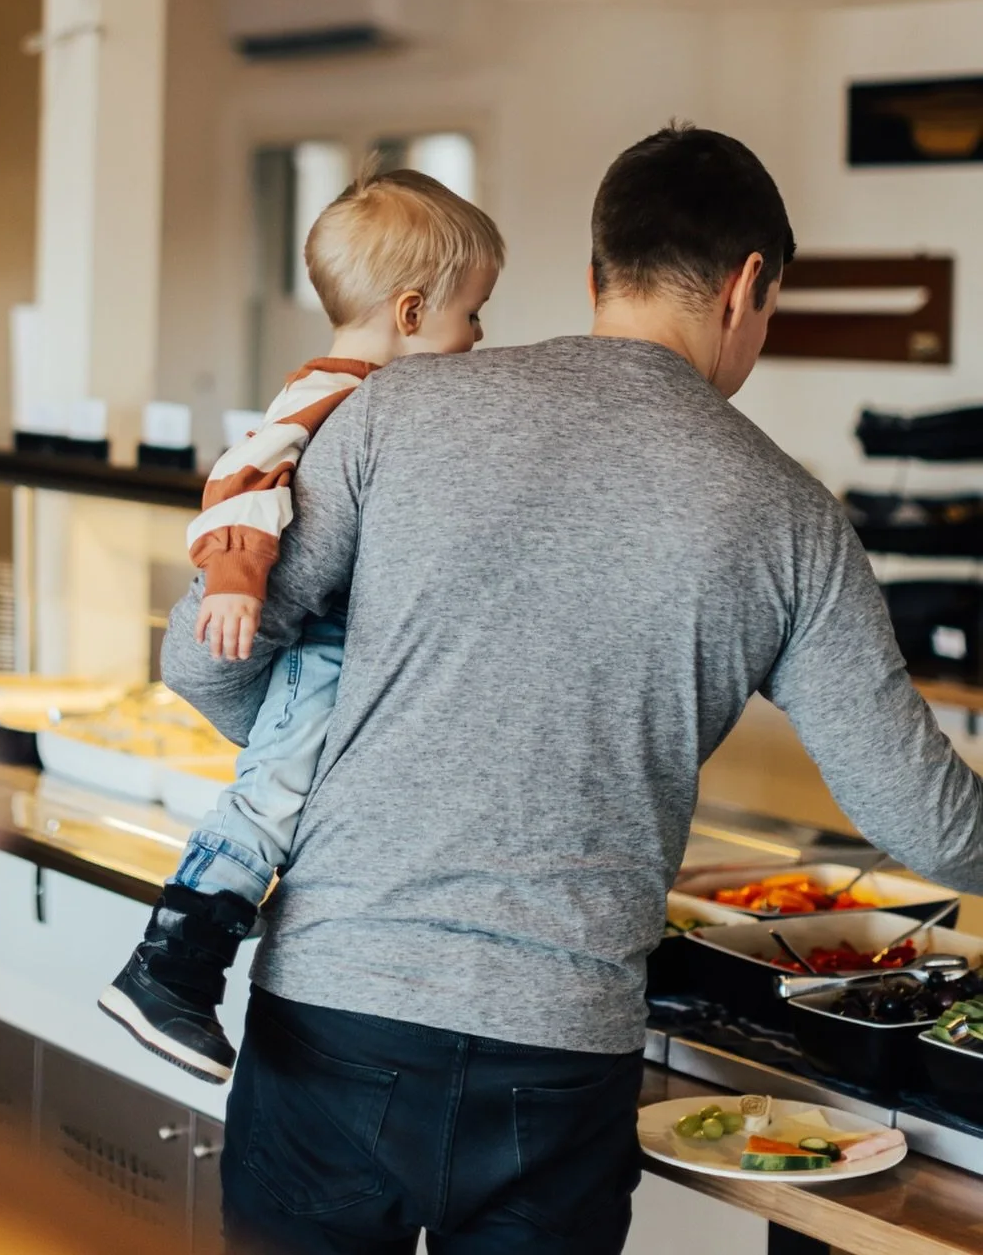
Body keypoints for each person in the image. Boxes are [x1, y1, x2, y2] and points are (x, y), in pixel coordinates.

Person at [160, 123, 983, 1255]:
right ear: (750, 286)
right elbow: (918, 813)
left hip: (335, 1012)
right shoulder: (791, 516)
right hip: (556, 1057)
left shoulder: (391, 414)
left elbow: (206, 654)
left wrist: (356, 751)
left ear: (597, 273)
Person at [100, 166, 505, 1084]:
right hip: (319, 646)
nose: (481, 336)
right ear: (410, 314)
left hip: (357, 644)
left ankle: (177, 968)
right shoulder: (331, 390)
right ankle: (170, 970)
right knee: (271, 799)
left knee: (287, 802)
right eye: (474, 313)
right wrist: (237, 580)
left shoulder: (388, 402)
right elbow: (243, 477)